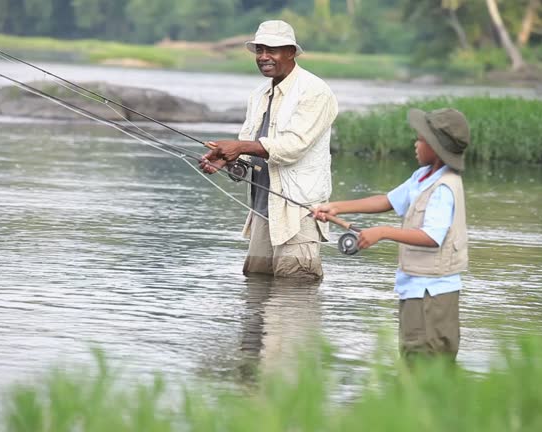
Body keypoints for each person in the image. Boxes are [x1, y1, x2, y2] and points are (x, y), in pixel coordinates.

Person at [313, 108, 470, 360]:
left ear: (435, 147)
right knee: (411, 358)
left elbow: (432, 237)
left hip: (433, 296)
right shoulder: (423, 176)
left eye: (420, 139)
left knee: (426, 363)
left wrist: (384, 232)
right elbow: (387, 201)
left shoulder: (444, 188)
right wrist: (336, 207)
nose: (415, 144)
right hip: (416, 289)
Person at [199, 20, 338, 280]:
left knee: (295, 294)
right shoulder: (259, 94)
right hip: (263, 211)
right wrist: (228, 161)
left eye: (271, 50)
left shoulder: (315, 92)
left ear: (291, 52)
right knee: (256, 288)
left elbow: (292, 147)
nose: (263, 57)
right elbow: (250, 149)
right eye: (260, 50)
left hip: (298, 212)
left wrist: (239, 147)